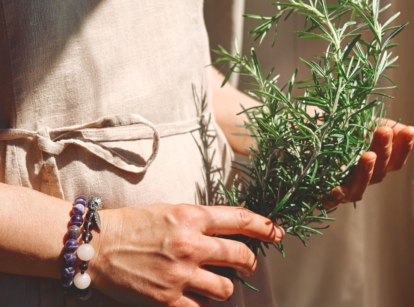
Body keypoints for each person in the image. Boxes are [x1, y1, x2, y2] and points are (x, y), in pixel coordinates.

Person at [0, 1, 412, 307]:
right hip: (54, 277)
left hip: (201, 269)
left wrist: (291, 136)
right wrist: (102, 245)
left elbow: (178, 76)